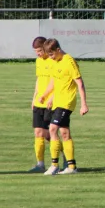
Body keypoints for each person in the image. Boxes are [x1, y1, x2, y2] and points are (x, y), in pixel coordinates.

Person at [38, 39, 89, 175]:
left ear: (58, 50)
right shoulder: (56, 62)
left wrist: (84, 104)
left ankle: (54, 165)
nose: (51, 58)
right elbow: (55, 81)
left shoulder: (69, 61)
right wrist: (46, 95)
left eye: (52, 55)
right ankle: (72, 167)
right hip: (57, 102)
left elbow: (80, 83)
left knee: (52, 129)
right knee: (64, 133)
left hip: (66, 102)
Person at [29, 37, 68, 173]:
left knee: (50, 134)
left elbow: (56, 81)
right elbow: (39, 79)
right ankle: (40, 164)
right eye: (36, 51)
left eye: (39, 50)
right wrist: (34, 97)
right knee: (38, 132)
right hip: (39, 101)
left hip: (51, 102)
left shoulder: (54, 60)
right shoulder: (38, 61)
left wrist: (52, 97)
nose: (38, 53)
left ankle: (65, 158)